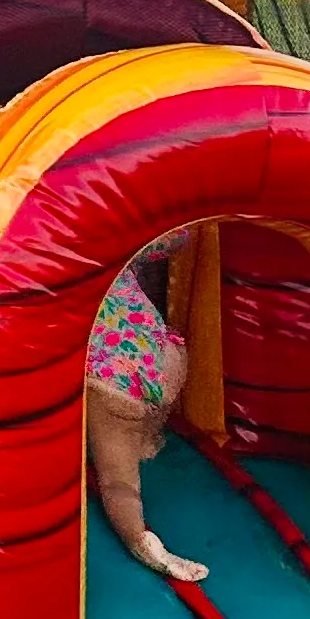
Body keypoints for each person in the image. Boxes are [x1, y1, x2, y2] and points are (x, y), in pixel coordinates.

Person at [86, 236, 208, 583]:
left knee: (117, 482)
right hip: (162, 357)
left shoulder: (63, 266)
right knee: (137, 426)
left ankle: (142, 542)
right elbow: (171, 240)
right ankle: (148, 440)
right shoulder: (120, 247)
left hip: (113, 377)